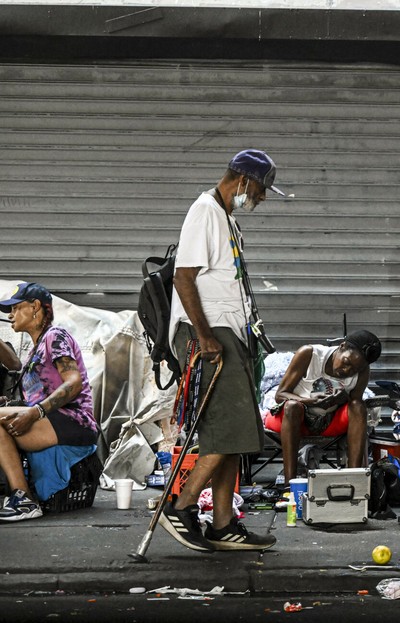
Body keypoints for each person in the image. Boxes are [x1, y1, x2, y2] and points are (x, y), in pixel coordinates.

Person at [159, 149, 283, 552]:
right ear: (244, 181)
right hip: (209, 335)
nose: (261, 199)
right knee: (230, 429)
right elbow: (183, 277)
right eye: (261, 190)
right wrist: (205, 335)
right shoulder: (205, 211)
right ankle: (181, 505)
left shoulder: (226, 218)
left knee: (239, 430)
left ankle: (223, 524)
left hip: (230, 332)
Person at [0, 282, 98, 522]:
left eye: (15, 308)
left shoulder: (55, 337)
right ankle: (20, 495)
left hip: (76, 422)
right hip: (53, 421)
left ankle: (24, 500)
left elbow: (73, 383)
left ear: (35, 307)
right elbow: (29, 383)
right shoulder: (35, 349)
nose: (10, 315)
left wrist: (34, 412)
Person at [263, 330, 381, 486]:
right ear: (342, 346)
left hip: (328, 422)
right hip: (293, 420)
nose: (346, 371)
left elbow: (354, 403)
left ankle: (353, 480)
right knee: (292, 407)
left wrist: (342, 398)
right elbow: (281, 394)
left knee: (358, 407)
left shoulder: (363, 371)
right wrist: (309, 402)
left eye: (354, 370)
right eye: (346, 362)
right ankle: (289, 483)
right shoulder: (309, 354)